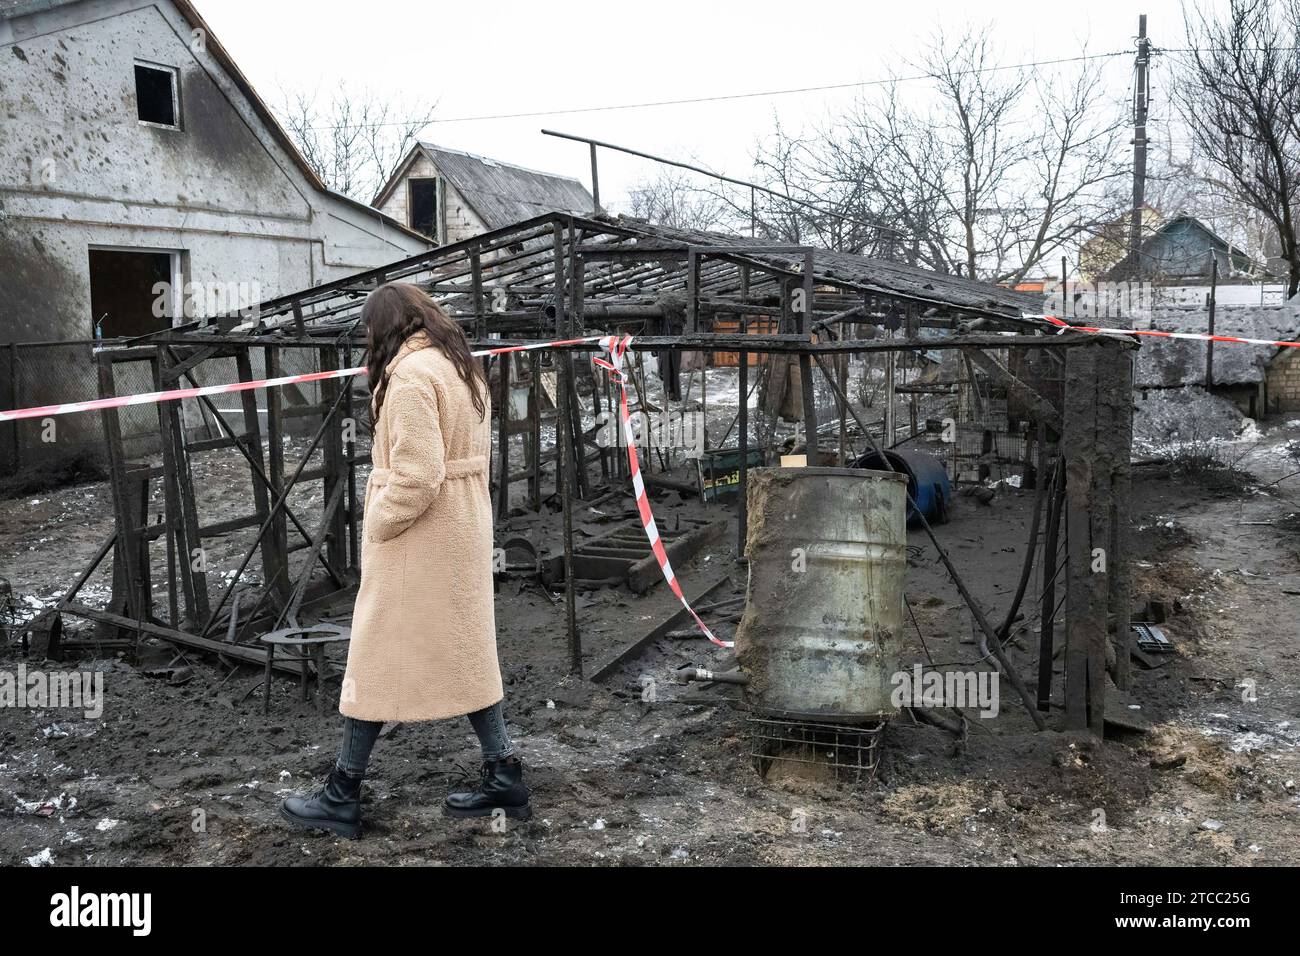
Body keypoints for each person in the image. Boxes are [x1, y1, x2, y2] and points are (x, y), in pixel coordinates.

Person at [280, 282, 529, 839]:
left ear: (385, 328)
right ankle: (504, 774)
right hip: (459, 528)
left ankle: (342, 795)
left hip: (421, 537)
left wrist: (379, 522)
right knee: (467, 653)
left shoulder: (412, 377)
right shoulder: (457, 365)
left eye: (370, 330)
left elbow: (418, 476)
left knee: (374, 660)